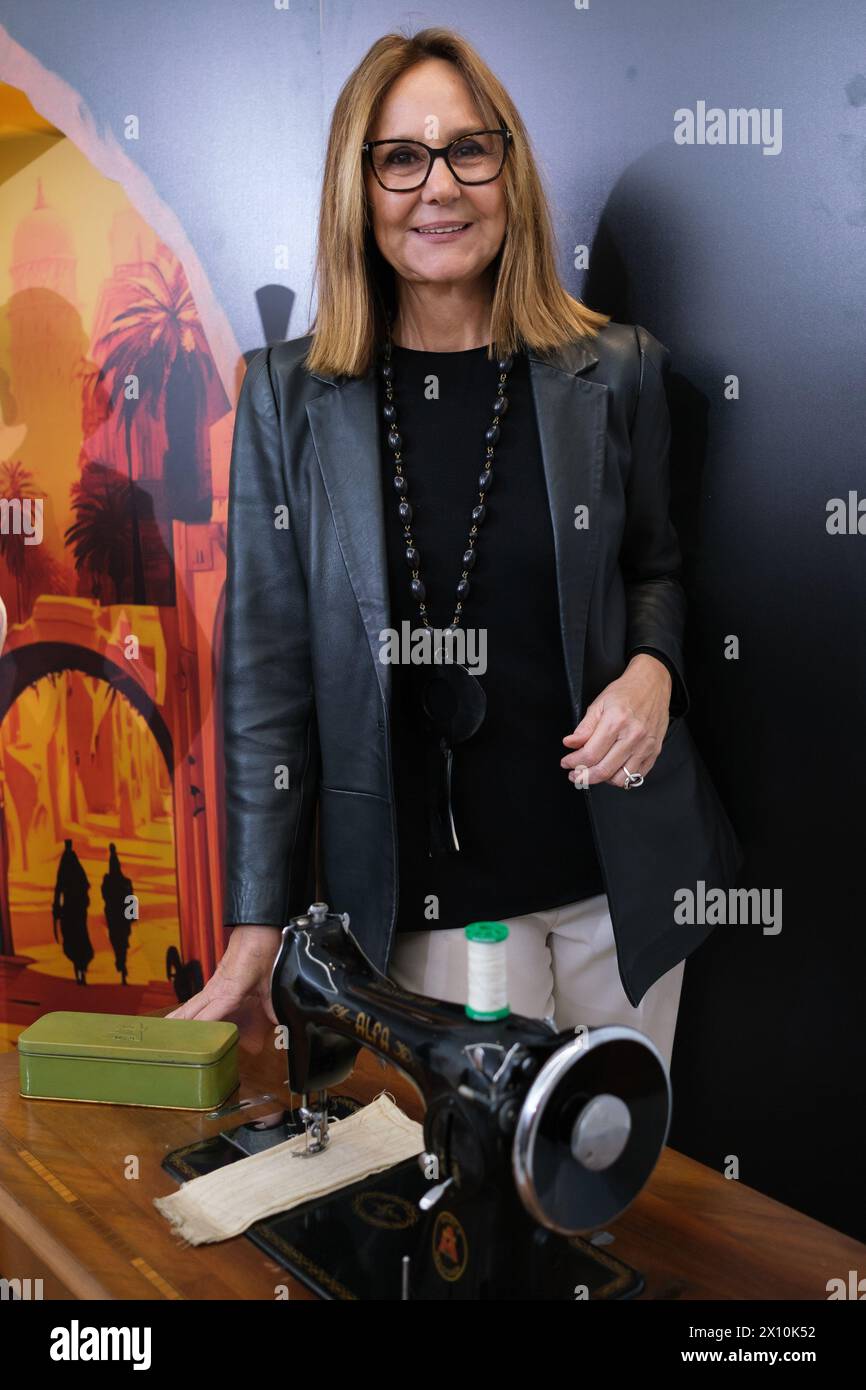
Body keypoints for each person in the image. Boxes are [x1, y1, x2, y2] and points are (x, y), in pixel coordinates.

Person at [169, 27, 743, 1070]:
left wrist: (654, 672)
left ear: (507, 171)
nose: (438, 187)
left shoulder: (614, 372)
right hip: (426, 918)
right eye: (400, 157)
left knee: (616, 1209)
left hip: (619, 897)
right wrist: (255, 924)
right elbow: (262, 683)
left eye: (467, 150)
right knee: (468, 1213)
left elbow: (656, 566)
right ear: (359, 187)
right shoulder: (286, 401)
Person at [52, 838, 93, 985]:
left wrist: (56, 910)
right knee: (80, 939)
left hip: (70, 911)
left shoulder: (63, 865)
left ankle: (79, 971)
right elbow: (85, 884)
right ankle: (81, 969)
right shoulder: (76, 865)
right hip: (77, 910)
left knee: (73, 941)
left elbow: (58, 889)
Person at [101, 842, 134, 984]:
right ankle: (122, 963)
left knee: (116, 942)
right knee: (122, 943)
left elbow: (104, 895)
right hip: (122, 918)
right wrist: (132, 916)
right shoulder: (125, 882)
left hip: (114, 918)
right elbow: (132, 900)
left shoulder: (107, 881)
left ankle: (120, 963)